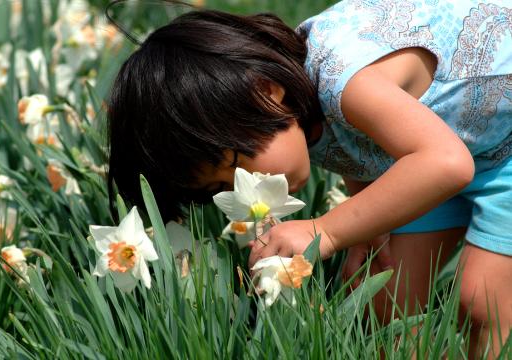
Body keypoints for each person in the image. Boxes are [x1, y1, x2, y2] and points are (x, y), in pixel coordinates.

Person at [105, 0, 511, 357]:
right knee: (391, 300)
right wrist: (367, 226)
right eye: (221, 187)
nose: (247, 184)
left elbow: (446, 163)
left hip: (492, 146)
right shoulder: (297, 117)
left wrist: (329, 231)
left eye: (236, 161)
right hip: (452, 144)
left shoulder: (345, 80)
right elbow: (361, 147)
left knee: (482, 300)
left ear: (265, 92)